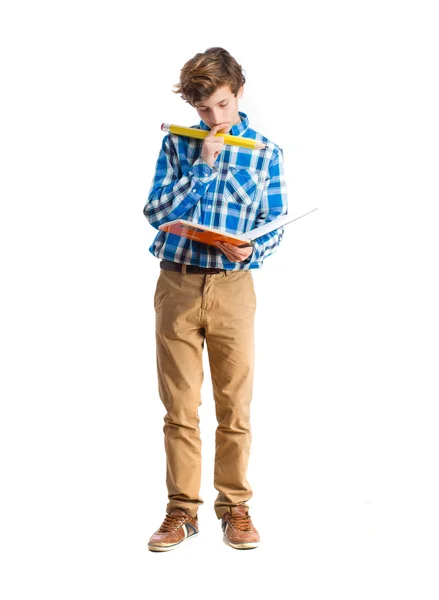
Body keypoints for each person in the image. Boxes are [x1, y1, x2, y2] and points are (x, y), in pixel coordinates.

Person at [143, 47, 288, 552]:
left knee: (235, 406)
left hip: (233, 287)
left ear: (239, 92)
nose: (214, 118)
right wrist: (202, 165)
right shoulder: (180, 146)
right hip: (177, 284)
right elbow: (156, 211)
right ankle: (182, 511)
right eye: (204, 110)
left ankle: (235, 508)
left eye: (222, 105)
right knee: (179, 407)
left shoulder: (267, 153)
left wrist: (253, 246)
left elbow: (274, 224)